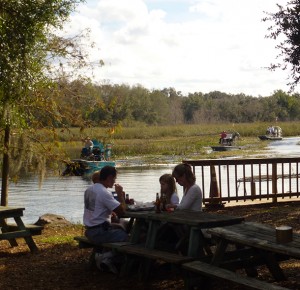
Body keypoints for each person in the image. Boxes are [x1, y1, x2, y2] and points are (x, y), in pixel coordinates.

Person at [83, 166, 128, 274]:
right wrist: (120, 194)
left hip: (90, 230)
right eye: (114, 179)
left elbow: (95, 208)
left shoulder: (89, 189)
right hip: (99, 232)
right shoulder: (104, 192)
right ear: (110, 177)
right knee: (130, 239)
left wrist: (108, 212)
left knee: (125, 226)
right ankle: (106, 257)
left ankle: (106, 257)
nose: (114, 181)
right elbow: (122, 212)